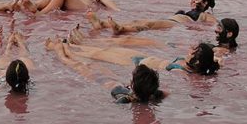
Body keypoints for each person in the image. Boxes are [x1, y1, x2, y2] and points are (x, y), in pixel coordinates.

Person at [44, 36, 167, 103]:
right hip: (111, 80)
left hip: (103, 81)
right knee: (85, 63)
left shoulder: (125, 99)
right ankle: (67, 49)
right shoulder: (153, 94)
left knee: (78, 65)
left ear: (133, 84)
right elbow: (167, 94)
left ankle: (59, 50)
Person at [87, 0, 217, 35]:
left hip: (174, 24)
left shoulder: (205, 14)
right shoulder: (190, 11)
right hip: (170, 22)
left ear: (205, 3)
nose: (193, 0)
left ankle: (121, 29)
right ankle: (102, 24)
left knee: (148, 24)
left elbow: (216, 24)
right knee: (138, 21)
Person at [64, 40, 220, 76]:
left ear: (197, 61)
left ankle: (66, 50)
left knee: (98, 56)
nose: (189, 50)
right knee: (107, 49)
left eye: (192, 51)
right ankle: (73, 45)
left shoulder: (184, 72)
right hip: (143, 58)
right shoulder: (186, 63)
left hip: (135, 64)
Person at [0, 28, 34, 93]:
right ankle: (20, 43)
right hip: (15, 79)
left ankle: (9, 45)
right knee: (24, 58)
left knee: (1, 66)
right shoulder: (30, 82)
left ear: (8, 79)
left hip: (4, 79)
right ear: (27, 77)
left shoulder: (2, 82)